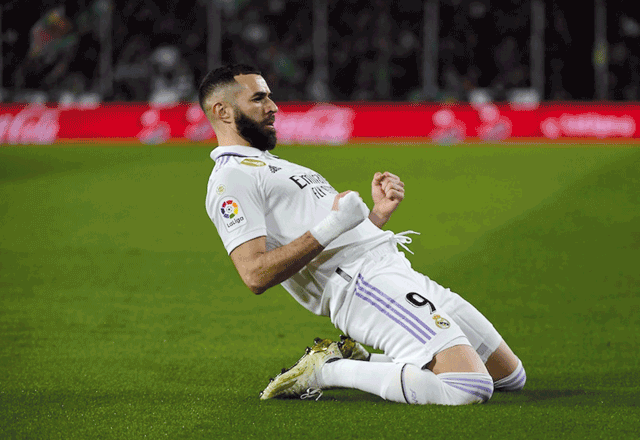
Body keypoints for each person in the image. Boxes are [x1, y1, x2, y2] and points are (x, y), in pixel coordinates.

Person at [200, 64, 526, 405]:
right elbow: (254, 274)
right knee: (468, 386)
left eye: (269, 96)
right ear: (222, 111)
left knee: (508, 376)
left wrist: (375, 216)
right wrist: (333, 225)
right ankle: (326, 370)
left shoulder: (273, 164)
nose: (273, 106)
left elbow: (338, 239)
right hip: (359, 285)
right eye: (258, 98)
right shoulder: (231, 179)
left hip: (393, 270)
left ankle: (364, 362)